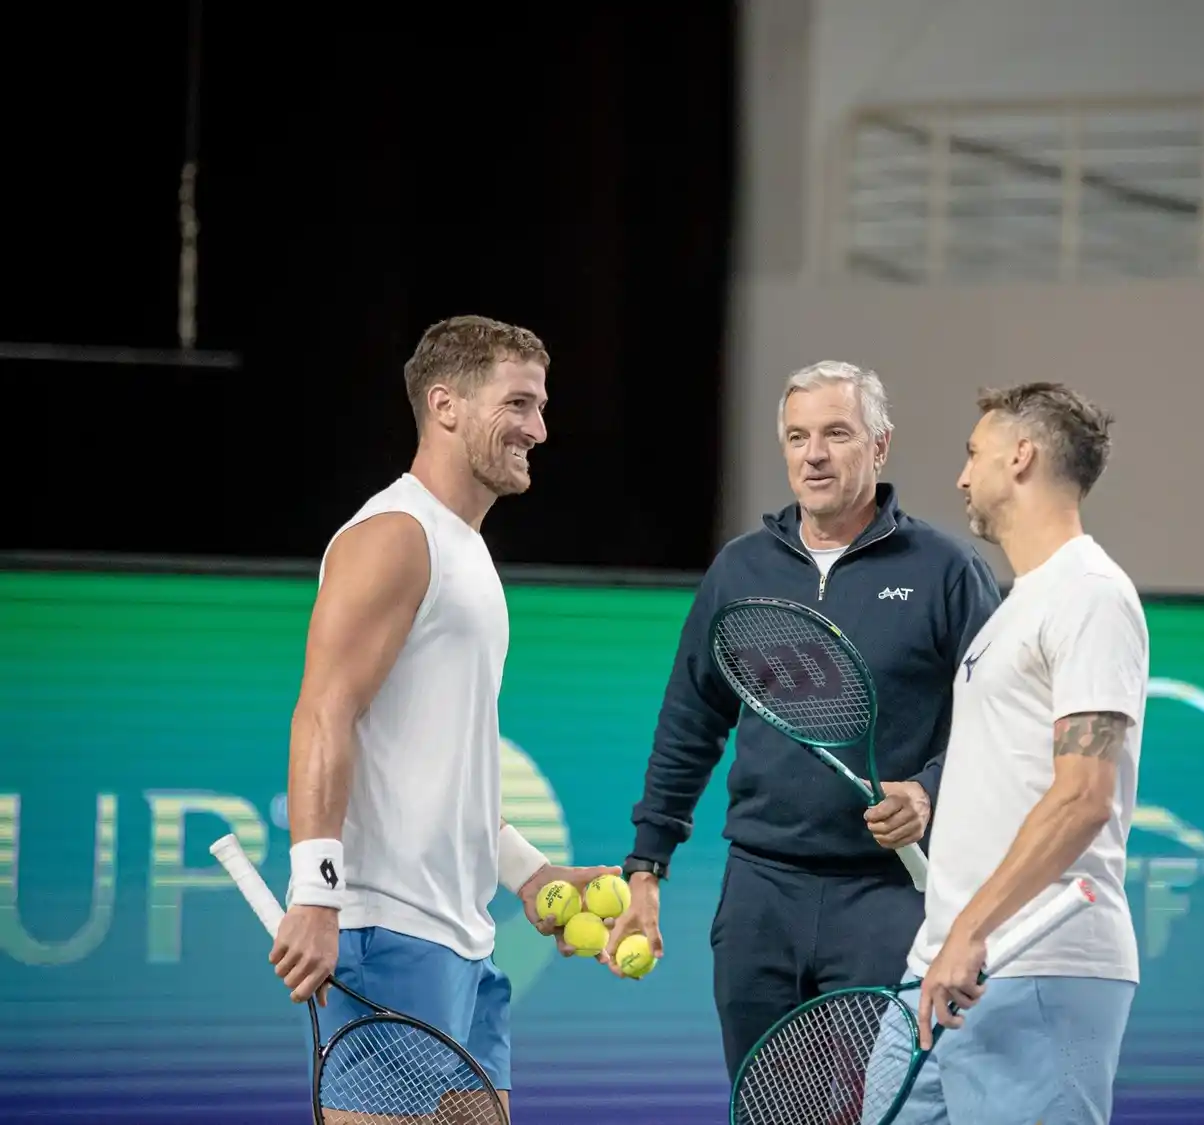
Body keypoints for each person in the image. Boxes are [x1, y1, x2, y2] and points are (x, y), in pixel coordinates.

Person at [603, 360, 1003, 1081]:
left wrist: (928, 790)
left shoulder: (948, 570)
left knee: (873, 1104)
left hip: (889, 899)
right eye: (796, 436)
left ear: (879, 446)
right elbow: (690, 721)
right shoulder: (740, 571)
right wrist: (646, 865)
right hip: (762, 892)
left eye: (835, 433)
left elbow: (1002, 727)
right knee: (765, 1103)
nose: (813, 453)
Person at [269, 315, 621, 1121]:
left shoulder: (468, 552)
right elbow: (325, 711)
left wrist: (530, 873)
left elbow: (440, 765)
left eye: (541, 406)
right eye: (520, 404)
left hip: (465, 939)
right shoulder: (395, 535)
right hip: (384, 931)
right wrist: (317, 894)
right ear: (446, 404)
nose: (539, 428)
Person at [887, 382, 1149, 1125]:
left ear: (1022, 456)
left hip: (1035, 963)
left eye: (975, 454)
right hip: (940, 969)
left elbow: (1083, 795)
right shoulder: (1018, 607)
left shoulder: (1092, 595)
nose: (964, 476)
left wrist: (972, 930)